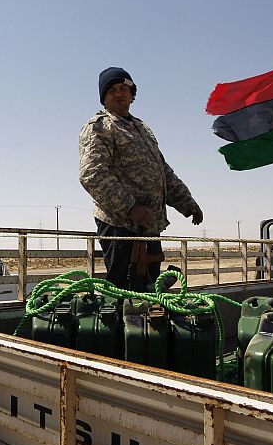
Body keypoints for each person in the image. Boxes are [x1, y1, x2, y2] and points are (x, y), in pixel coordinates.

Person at [78, 67, 203, 290]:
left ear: (132, 93)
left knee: (150, 289)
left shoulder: (142, 129)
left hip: (149, 225)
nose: (119, 94)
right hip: (120, 225)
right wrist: (130, 208)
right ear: (104, 97)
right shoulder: (99, 127)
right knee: (124, 291)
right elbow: (92, 173)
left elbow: (162, 171)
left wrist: (187, 203)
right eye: (112, 90)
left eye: (124, 88)